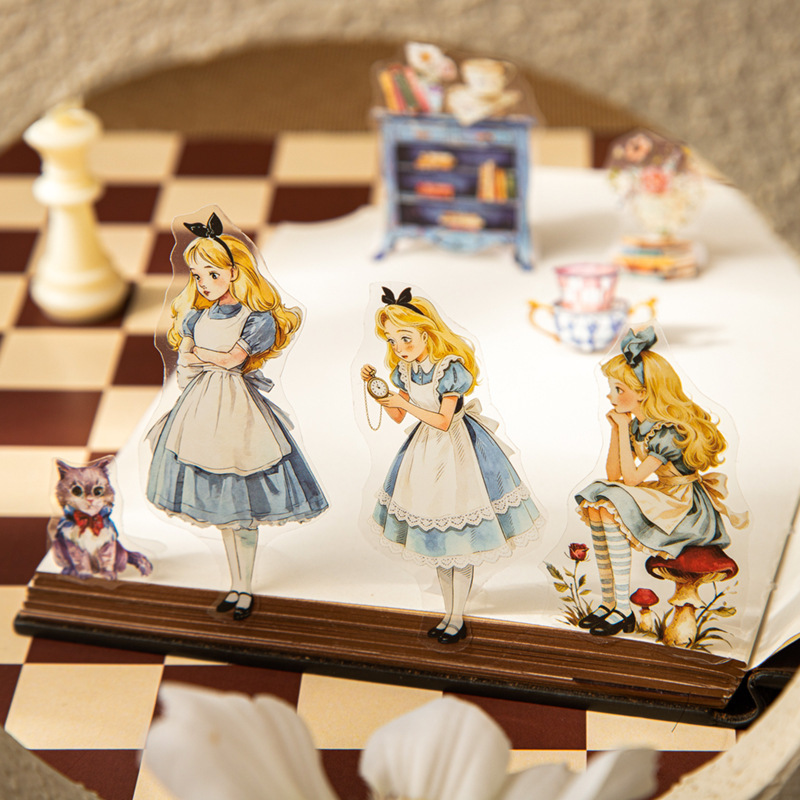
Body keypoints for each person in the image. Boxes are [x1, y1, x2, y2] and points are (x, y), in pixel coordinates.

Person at [146, 212, 328, 620]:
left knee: (244, 508)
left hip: (239, 409)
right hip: (200, 408)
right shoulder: (195, 316)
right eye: (197, 275)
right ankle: (235, 585)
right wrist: (193, 361)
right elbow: (186, 370)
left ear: (233, 272)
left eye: (212, 274)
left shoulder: (256, 319)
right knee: (224, 514)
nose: (203, 283)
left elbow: (230, 360)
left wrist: (197, 353)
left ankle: (244, 589)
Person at [362, 287, 541, 644]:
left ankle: (457, 617)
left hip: (459, 451)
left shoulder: (449, 369)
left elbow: (444, 421)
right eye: (393, 340)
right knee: (440, 546)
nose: (399, 347)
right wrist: (379, 392)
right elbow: (398, 416)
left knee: (460, 542)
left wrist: (403, 403)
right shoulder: (405, 370)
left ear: (427, 333)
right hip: (425, 452)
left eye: (406, 338)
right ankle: (447, 614)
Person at [574, 327, 747, 636]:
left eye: (618, 389)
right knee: (598, 504)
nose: (610, 396)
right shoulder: (639, 427)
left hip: (684, 506)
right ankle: (609, 602)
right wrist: (618, 430)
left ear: (642, 392)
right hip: (664, 495)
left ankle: (623, 609)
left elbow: (631, 479)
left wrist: (622, 428)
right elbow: (614, 475)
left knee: (610, 502)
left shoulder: (666, 432)